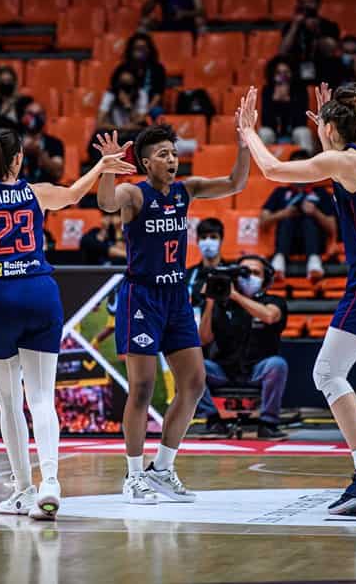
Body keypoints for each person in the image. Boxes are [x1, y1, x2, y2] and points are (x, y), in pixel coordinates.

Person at [0, 128, 135, 520]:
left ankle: (23, 490)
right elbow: (74, 194)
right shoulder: (37, 193)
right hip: (39, 292)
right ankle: (50, 483)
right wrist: (101, 166)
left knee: (9, 402)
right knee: (41, 397)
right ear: (19, 159)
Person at [238, 83, 356, 515]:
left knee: (327, 372)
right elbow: (341, 145)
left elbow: (274, 171)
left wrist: (248, 132)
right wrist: (331, 124)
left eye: (324, 128)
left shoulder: (343, 160)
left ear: (332, 129)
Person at [94, 125, 249, 504]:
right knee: (143, 387)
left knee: (194, 384)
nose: (171, 160)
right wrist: (109, 166)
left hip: (176, 295)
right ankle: (133, 475)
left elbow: (234, 183)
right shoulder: (135, 193)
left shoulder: (185, 190)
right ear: (146, 162)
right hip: (142, 296)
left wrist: (245, 145)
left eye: (173, 153)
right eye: (163, 154)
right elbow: (106, 203)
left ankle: (161, 469)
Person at [197, 255, 289, 440]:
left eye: (255, 272)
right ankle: (214, 421)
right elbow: (203, 339)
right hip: (224, 369)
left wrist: (236, 296)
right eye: (244, 272)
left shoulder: (273, 301)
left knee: (277, 364)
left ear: (266, 278)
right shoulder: (222, 303)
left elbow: (269, 317)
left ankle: (268, 424)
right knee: (193, 367)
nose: (249, 276)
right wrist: (210, 301)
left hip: (258, 369)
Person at [261, 149, 337, 281]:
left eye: (303, 167)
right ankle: (278, 262)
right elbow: (263, 222)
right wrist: (282, 214)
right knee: (288, 219)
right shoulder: (280, 192)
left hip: (315, 244)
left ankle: (314, 263)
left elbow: (332, 229)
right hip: (286, 243)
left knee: (309, 219)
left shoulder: (321, 193)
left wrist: (315, 213)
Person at [279, 0, 341, 86]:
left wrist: (316, 32)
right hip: (296, 70)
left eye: (310, 2)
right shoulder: (290, 26)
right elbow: (283, 51)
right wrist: (295, 26)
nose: (307, 5)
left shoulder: (329, 25)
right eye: (303, 2)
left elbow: (330, 51)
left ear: (318, 4)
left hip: (322, 69)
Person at [259, 56, 314, 152]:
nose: (282, 77)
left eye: (286, 72)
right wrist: (275, 101)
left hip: (294, 130)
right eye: (278, 73)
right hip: (274, 132)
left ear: (292, 73)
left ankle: (306, 164)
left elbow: (301, 121)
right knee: (264, 132)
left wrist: (288, 100)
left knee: (303, 132)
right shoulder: (267, 90)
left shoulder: (300, 91)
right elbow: (266, 122)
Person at [112, 34, 167, 115]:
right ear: (131, 50)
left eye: (142, 48)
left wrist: (145, 111)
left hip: (150, 107)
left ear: (149, 49)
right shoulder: (122, 68)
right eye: (136, 48)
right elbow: (118, 90)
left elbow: (158, 94)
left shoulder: (157, 68)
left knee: (157, 112)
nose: (139, 52)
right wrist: (129, 108)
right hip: (128, 107)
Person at [18, 97, 64, 184]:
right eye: (30, 113)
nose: (35, 118)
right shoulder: (13, 141)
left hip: (45, 190)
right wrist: (21, 151)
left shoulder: (55, 143)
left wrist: (40, 154)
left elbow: (57, 173)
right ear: (23, 117)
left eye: (39, 114)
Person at [186, 217, 226, 311]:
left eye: (213, 237)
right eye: (203, 237)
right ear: (197, 241)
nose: (208, 242)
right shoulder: (188, 274)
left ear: (221, 240)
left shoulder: (231, 272)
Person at [97, 68, 148, 133]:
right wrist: (120, 128)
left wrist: (128, 106)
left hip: (133, 133)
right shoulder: (110, 94)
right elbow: (99, 124)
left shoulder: (141, 94)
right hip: (115, 132)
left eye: (129, 86)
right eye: (122, 85)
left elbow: (141, 124)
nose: (125, 90)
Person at [0, 66, 22, 131]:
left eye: (9, 81)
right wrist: (3, 112)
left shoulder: (24, 102)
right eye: (3, 81)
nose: (6, 83)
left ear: (15, 83)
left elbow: (26, 128)